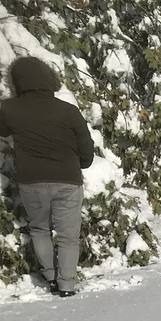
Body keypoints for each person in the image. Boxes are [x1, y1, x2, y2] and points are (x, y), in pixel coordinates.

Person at [0, 56, 94, 297]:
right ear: (49, 79)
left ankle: (50, 276)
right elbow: (86, 146)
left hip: (32, 181)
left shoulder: (9, 109)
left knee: (40, 229)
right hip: (68, 180)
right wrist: (82, 164)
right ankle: (67, 285)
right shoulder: (68, 110)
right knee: (68, 237)